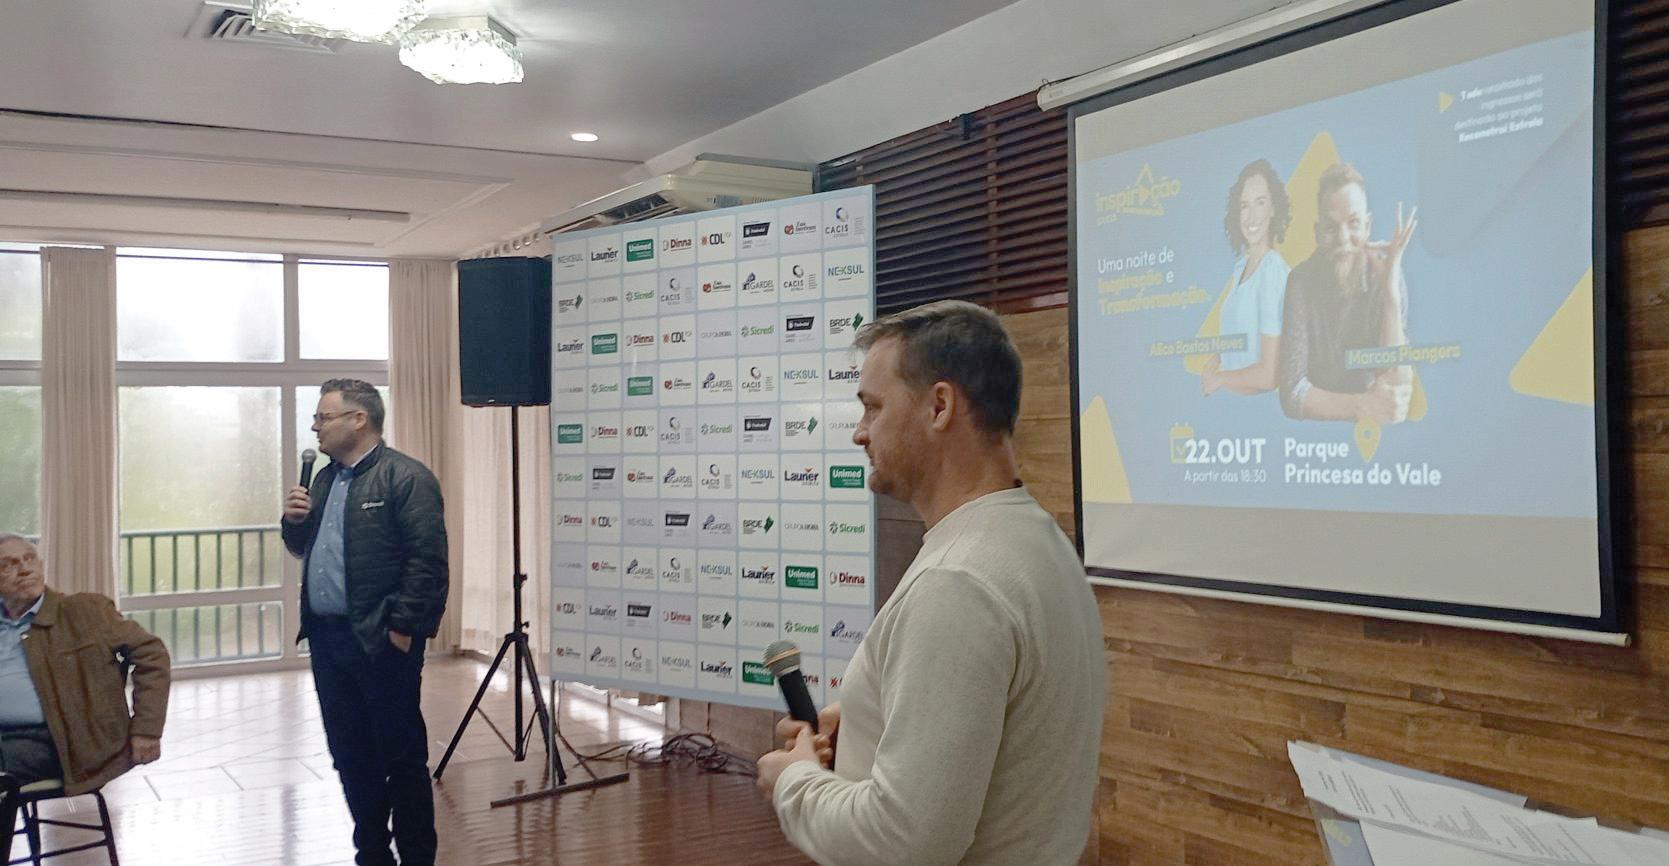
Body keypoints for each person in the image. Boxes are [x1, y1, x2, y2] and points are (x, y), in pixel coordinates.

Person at [755, 301, 1105, 865]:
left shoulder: (957, 582)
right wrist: (870, 723)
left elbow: (903, 842)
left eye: (873, 407)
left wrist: (793, 782)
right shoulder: (1037, 543)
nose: (859, 433)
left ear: (940, 407)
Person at [282, 379, 448, 866]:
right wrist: (294, 522)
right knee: (350, 753)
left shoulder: (405, 478)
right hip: (328, 640)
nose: (315, 426)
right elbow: (304, 549)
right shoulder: (324, 480)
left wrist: (402, 629)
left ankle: (417, 857)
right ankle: (372, 853)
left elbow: (427, 562)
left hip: (381, 640)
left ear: (359, 419)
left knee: (401, 757)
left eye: (324, 417)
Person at [0, 533, 169, 863]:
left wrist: (147, 729)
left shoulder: (84, 611)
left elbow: (153, 655)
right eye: (8, 564)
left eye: (29, 559)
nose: (24, 569)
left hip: (63, 739)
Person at [1277, 162, 1419, 423]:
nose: (1343, 238)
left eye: (1353, 223)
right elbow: (1292, 391)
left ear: (1367, 226)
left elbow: (1395, 389)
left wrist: (1390, 295)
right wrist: (1362, 405)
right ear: (1317, 233)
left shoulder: (1387, 275)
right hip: (1313, 438)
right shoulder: (1300, 281)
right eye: (1331, 227)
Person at [1203, 158, 1293, 396]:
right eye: (1244, 205)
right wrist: (1214, 361)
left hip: (1256, 410)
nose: (1251, 217)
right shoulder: (1241, 266)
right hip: (1232, 404)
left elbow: (1269, 376)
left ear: (1273, 208)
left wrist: (1219, 379)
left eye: (1260, 203)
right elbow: (1240, 333)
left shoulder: (1272, 271)